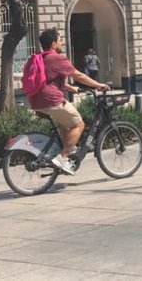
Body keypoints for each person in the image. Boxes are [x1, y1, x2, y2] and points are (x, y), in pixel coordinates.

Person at [30, 28, 110, 175]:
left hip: (37, 101)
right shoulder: (57, 58)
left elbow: (47, 81)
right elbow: (78, 75)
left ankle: (68, 151)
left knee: (67, 124)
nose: (62, 43)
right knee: (79, 124)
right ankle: (63, 157)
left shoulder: (41, 58)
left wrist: (70, 88)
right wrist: (98, 85)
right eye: (60, 40)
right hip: (52, 100)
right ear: (53, 44)